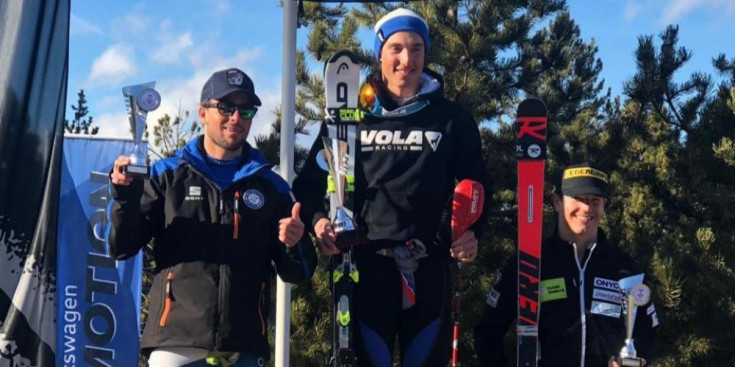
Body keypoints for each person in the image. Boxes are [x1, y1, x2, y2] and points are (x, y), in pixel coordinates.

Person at [292, 8, 491, 367]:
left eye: (416, 48)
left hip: (429, 268)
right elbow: (308, 186)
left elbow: (479, 185)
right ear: (380, 53)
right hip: (364, 268)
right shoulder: (350, 115)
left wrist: (473, 233)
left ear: (426, 54)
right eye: (396, 48)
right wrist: (320, 222)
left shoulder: (450, 119)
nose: (406, 59)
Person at [108, 68, 317, 367]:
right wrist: (124, 197)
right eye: (226, 108)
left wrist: (294, 243)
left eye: (245, 110)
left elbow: (300, 274)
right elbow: (122, 246)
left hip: (243, 348)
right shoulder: (167, 176)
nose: (236, 118)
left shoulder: (271, 187)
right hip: (176, 344)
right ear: (203, 113)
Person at [473, 162, 659, 366]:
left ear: (604, 206)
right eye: (578, 198)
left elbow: (647, 330)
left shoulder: (623, 266)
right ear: (557, 202)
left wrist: (636, 361)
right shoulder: (530, 262)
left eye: (595, 200)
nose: (587, 207)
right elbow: (487, 332)